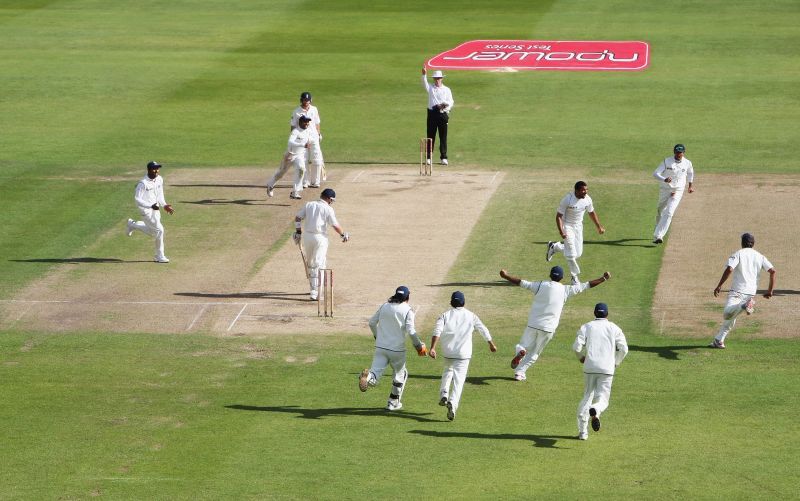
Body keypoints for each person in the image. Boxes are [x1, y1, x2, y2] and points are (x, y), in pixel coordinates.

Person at [499, 266, 611, 381]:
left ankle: (520, 352)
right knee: (535, 353)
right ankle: (520, 372)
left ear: (550, 275)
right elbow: (586, 285)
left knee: (523, 345)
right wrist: (603, 278)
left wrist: (505, 276)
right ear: (562, 277)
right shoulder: (566, 290)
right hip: (548, 328)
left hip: (533, 323)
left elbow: (521, 282)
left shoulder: (540, 285)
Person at [428, 291, 496, 421]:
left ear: (451, 302)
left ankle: (444, 393)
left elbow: (437, 331)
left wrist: (432, 348)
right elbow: (483, 329)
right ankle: (452, 405)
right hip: (463, 355)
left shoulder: (444, 315)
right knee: (458, 382)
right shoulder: (471, 316)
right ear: (464, 302)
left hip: (448, 352)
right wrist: (491, 343)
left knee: (447, 372)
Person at [359, 286, 428, 411]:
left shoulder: (385, 306)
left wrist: (377, 336)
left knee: (375, 373)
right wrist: (419, 346)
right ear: (407, 297)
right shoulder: (408, 310)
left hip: (381, 346)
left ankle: (368, 377)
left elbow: (371, 323)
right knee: (400, 374)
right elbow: (411, 331)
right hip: (397, 350)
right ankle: (393, 402)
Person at [710, 232, 776, 349]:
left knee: (727, 314)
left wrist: (719, 285)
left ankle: (743, 305)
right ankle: (719, 340)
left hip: (737, 292)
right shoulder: (760, 256)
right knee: (732, 317)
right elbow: (772, 271)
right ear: (753, 244)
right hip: (750, 294)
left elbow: (730, 269)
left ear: (742, 243)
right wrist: (770, 290)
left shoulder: (738, 254)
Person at [572, 303, 628, 440]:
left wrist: (581, 358)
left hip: (589, 367)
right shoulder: (614, 327)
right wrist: (616, 363)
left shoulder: (586, 326)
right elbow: (624, 349)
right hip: (607, 369)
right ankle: (596, 410)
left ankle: (583, 432)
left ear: (594, 313)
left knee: (587, 396)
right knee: (602, 399)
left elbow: (576, 347)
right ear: (607, 314)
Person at [293, 188, 349, 300]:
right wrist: (343, 234)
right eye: (331, 200)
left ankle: (314, 289)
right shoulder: (328, 209)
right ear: (328, 198)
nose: (331, 202)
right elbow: (335, 225)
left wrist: (298, 232)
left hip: (307, 237)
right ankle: (316, 292)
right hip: (320, 238)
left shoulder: (309, 204)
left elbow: (298, 218)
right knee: (318, 263)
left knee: (312, 263)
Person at [546, 181, 606, 285]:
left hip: (578, 227)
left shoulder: (587, 199)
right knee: (571, 254)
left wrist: (599, 226)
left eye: (586, 190)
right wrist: (562, 231)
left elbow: (591, 212)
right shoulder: (567, 199)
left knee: (578, 253)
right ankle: (574, 277)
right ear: (576, 190)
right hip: (567, 225)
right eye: (583, 190)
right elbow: (558, 216)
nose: (585, 192)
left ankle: (555, 247)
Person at [126, 161, 174, 263]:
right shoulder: (142, 183)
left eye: (157, 168)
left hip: (155, 208)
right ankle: (159, 256)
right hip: (146, 210)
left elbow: (160, 195)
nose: (156, 170)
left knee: (154, 232)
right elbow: (137, 199)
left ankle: (133, 224)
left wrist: (164, 205)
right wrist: (150, 205)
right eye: (154, 168)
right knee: (160, 230)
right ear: (149, 170)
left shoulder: (159, 179)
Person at [652, 144, 694, 244]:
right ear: (674, 152)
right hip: (665, 189)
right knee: (660, 210)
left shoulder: (687, 163)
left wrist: (690, 186)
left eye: (680, 152)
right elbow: (655, 173)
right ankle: (657, 228)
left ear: (683, 153)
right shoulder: (667, 161)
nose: (679, 154)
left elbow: (690, 174)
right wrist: (664, 179)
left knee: (669, 212)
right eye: (677, 152)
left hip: (678, 190)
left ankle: (659, 235)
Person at [266, 115, 311, 200]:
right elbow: (290, 142)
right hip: (290, 155)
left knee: (302, 169)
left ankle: (295, 192)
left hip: (299, 155)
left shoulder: (308, 131)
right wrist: (302, 145)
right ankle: (270, 185)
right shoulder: (295, 131)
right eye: (305, 121)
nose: (307, 123)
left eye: (308, 122)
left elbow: (309, 141)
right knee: (281, 173)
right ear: (300, 122)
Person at [291, 92, 325, 188]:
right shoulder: (296, 111)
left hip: (314, 137)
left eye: (308, 100)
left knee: (317, 160)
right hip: (302, 139)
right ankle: (305, 182)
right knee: (304, 160)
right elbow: (293, 126)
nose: (306, 102)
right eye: (305, 100)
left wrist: (318, 134)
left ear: (311, 100)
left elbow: (317, 123)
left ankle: (315, 182)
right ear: (301, 100)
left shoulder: (314, 109)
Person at [421, 66, 454, 165]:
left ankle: (443, 157)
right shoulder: (430, 88)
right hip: (432, 114)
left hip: (443, 114)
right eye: (435, 78)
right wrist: (424, 74)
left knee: (443, 137)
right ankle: (428, 158)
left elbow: (451, 101)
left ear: (442, 78)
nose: (437, 80)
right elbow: (424, 84)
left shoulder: (447, 89)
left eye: (439, 78)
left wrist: (444, 107)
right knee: (431, 136)